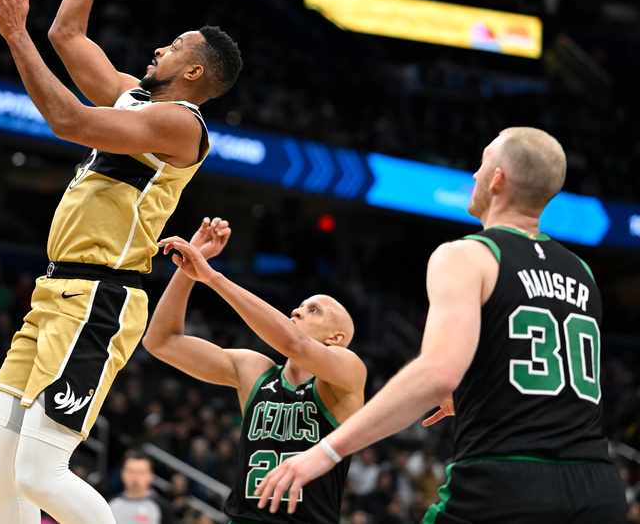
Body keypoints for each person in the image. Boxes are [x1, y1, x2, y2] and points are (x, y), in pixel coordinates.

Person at [0, 0, 243, 524]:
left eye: (174, 46)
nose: (159, 49)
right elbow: (66, 36)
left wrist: (14, 37)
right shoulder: (134, 98)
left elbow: (67, 119)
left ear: (194, 72)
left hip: (100, 296)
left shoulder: (181, 125)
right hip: (54, 292)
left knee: (40, 472)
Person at [254, 127, 628, 523]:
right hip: (597, 489)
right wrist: (474, 385)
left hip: (507, 482)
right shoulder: (583, 272)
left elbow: (438, 372)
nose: (474, 176)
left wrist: (325, 451)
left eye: (482, 165)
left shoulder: (468, 255)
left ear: (497, 178)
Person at [147, 218, 366, 523]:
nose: (296, 310)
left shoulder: (349, 369)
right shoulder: (255, 370)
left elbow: (295, 345)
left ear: (336, 339)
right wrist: (190, 264)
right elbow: (162, 342)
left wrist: (212, 278)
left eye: (313, 310)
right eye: (300, 306)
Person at [108, 450, 175, 524]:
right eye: (130, 471)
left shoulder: (162, 508)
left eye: (141, 472)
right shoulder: (109, 505)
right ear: (122, 474)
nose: (135, 477)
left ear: (150, 475)